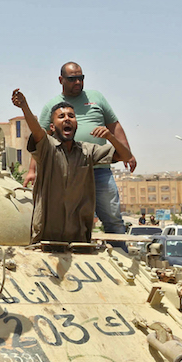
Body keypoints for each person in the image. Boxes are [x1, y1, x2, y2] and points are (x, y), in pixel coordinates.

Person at [23, 62, 137, 236]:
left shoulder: (96, 98)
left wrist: (126, 152)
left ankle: (120, 253)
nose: (77, 82)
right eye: (72, 79)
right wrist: (32, 170)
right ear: (61, 80)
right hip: (64, 170)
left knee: (112, 218)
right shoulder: (52, 106)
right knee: (65, 216)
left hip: (98, 167)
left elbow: (114, 126)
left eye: (80, 78)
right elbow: (41, 137)